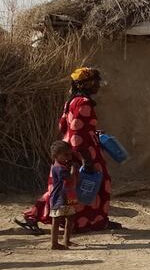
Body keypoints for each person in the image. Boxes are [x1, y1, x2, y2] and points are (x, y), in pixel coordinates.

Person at [15, 67, 118, 234]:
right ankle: (90, 220)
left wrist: (92, 133)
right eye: (97, 82)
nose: (99, 85)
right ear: (88, 83)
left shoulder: (71, 101)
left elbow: (65, 126)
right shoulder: (83, 103)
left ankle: (91, 220)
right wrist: (86, 158)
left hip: (74, 147)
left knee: (67, 186)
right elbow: (77, 131)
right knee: (92, 183)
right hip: (82, 150)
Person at [48, 141, 78, 250]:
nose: (69, 157)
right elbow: (69, 178)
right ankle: (54, 243)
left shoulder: (60, 166)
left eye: (70, 154)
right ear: (55, 156)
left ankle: (66, 240)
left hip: (66, 198)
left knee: (70, 218)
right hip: (59, 199)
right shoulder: (59, 168)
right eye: (66, 155)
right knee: (56, 221)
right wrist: (73, 170)